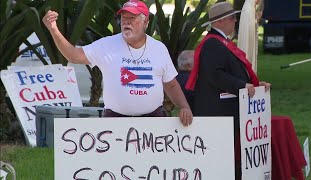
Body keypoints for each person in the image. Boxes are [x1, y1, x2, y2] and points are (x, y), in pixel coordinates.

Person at [42, 0, 192, 126]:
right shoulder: (106, 45)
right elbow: (73, 56)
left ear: (146, 21)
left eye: (132, 18)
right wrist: (53, 29)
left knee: (151, 162)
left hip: (152, 120)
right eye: (124, 18)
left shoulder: (159, 49)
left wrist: (184, 107)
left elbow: (170, 84)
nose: (126, 22)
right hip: (115, 120)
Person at [185, 1, 271, 179]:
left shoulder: (220, 43)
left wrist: (254, 84)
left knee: (224, 151)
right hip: (217, 110)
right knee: (217, 153)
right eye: (232, 18)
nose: (235, 21)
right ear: (218, 22)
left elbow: (229, 72)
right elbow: (215, 75)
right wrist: (241, 85)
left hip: (224, 109)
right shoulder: (212, 44)